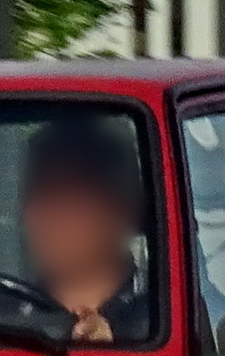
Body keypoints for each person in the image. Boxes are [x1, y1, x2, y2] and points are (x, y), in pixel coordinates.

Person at [16, 118, 150, 342]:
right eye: (38, 191)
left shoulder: (165, 317)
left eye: (70, 196)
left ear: (125, 211)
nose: (49, 215)